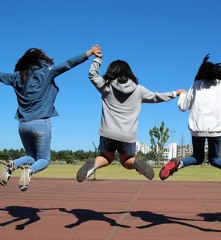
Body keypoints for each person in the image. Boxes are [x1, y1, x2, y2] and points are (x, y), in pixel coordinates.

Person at [0, 45, 101, 191]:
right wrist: (89, 53)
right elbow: (68, 64)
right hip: (41, 123)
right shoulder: (45, 73)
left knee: (31, 157)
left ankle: (13, 164)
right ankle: (29, 171)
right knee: (44, 160)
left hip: (23, 125)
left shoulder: (16, 78)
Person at [76, 46, 185, 182]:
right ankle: (136, 163)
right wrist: (175, 93)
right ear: (129, 73)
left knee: (106, 158)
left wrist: (97, 58)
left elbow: (92, 74)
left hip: (107, 132)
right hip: (127, 135)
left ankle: (93, 165)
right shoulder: (139, 90)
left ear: (111, 72)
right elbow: (157, 97)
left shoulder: (107, 87)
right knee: (127, 161)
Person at [159, 54, 221, 183]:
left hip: (197, 129)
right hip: (215, 129)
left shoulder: (196, 85)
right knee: (214, 158)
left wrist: (182, 94)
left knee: (197, 157)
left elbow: (183, 107)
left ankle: (178, 164)